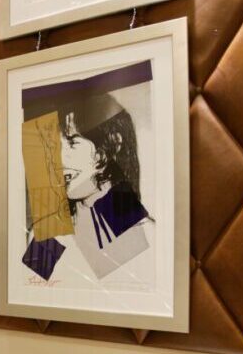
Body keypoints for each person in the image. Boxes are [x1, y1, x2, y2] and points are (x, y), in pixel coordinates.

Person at [22, 92, 151, 281]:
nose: (57, 160)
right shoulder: (48, 236)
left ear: (113, 144)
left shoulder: (148, 236)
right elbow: (30, 290)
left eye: (72, 142)